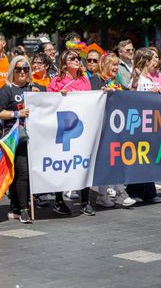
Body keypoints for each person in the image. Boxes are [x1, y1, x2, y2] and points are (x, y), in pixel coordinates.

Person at [0, 56, 45, 223]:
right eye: (18, 69)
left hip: (35, 137)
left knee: (25, 173)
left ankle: (15, 206)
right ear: (12, 71)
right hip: (15, 138)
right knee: (22, 173)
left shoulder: (34, 88)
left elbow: (53, 100)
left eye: (25, 69)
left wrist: (41, 96)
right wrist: (17, 113)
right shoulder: (7, 90)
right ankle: (23, 209)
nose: (22, 72)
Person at [48, 50, 96, 216]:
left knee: (83, 163)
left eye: (78, 58)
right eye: (72, 58)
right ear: (64, 62)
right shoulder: (57, 81)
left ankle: (85, 201)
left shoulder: (84, 79)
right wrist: (58, 97)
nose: (77, 60)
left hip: (81, 128)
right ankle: (59, 201)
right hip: (64, 130)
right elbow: (48, 104)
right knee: (63, 164)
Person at [89, 53, 137, 207]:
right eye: (112, 64)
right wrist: (101, 93)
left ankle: (114, 193)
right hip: (101, 128)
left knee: (115, 159)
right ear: (104, 65)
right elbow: (89, 100)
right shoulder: (96, 79)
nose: (116, 67)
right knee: (107, 160)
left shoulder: (116, 81)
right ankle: (109, 194)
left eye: (117, 64)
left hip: (115, 127)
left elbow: (127, 95)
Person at [125, 47, 161, 203]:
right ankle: (135, 191)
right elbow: (133, 95)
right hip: (138, 122)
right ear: (146, 61)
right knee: (138, 158)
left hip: (150, 122)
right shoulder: (137, 78)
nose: (155, 62)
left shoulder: (148, 79)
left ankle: (149, 192)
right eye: (153, 59)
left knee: (148, 157)